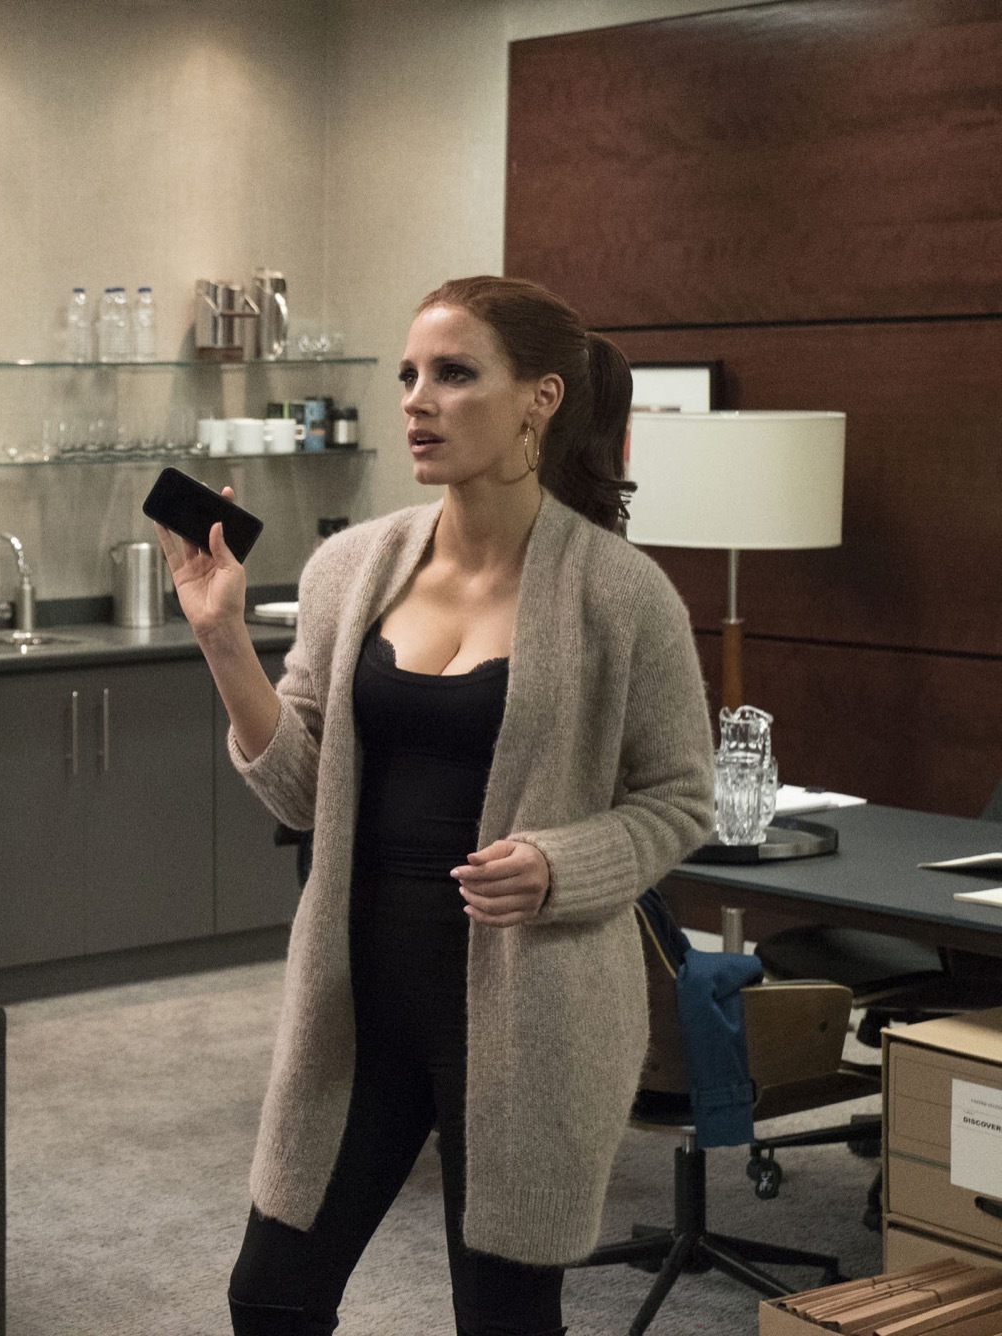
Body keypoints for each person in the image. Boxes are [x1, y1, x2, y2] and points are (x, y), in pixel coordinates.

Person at [161, 276, 715, 1336]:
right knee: (268, 1297)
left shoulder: (620, 593)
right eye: (409, 374)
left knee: (503, 1319)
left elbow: (680, 799)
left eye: (454, 374)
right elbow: (298, 792)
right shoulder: (347, 570)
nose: (417, 399)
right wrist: (221, 639)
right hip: (357, 993)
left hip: (534, 1012)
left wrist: (560, 864)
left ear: (540, 399)